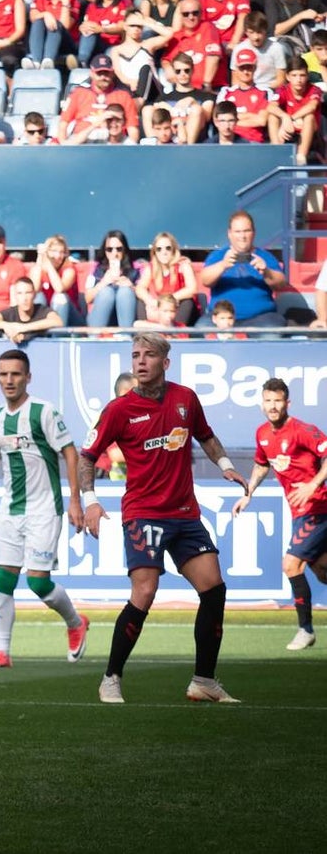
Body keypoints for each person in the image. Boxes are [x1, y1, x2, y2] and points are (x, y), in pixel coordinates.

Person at [79, 332, 246, 705]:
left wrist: (226, 465)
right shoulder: (119, 409)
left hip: (185, 513)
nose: (139, 361)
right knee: (146, 591)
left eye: (148, 355)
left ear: (164, 363)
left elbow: (206, 435)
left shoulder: (185, 398)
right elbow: (87, 456)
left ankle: (203, 681)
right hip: (143, 513)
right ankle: (111, 678)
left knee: (214, 590)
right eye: (135, 354)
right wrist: (90, 501)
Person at [0, 349, 88, 669]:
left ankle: (75, 622)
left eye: (16, 374)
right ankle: (2, 651)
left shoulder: (44, 411)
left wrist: (75, 499)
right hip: (10, 510)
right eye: (3, 374)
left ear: (28, 377)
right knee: (4, 578)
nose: (9, 380)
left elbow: (70, 453)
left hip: (44, 509)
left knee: (39, 582)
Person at [233, 378, 327, 651]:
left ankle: (305, 630)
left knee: (291, 565)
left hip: (318, 509)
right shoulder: (262, 433)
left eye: (278, 401)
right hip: (300, 513)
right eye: (268, 401)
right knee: (321, 570)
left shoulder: (302, 431)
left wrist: (312, 485)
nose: (273, 406)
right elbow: (262, 466)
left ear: (288, 403)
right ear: (262, 403)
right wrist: (248, 493)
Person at [196, 210, 286, 329]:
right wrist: (222, 265)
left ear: (253, 233)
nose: (242, 236)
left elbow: (281, 284)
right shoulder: (218, 255)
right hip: (221, 319)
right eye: (237, 232)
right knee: (202, 329)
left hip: (261, 318)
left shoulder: (265, 256)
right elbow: (205, 280)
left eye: (246, 231)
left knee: (271, 334)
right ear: (229, 233)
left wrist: (266, 272)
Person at [57, 53, 139, 143]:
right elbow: (63, 122)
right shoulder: (78, 93)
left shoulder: (124, 95)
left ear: (112, 73)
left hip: (114, 142)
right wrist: (63, 145)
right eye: (99, 73)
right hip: (82, 141)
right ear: (91, 73)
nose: (103, 77)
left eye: (106, 73)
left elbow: (133, 128)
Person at [137, 232, 199, 325]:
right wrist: (150, 301)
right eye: (159, 249)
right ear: (155, 252)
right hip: (159, 308)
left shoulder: (183, 265)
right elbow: (140, 288)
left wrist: (167, 301)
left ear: (174, 250)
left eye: (168, 248)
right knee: (141, 301)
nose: (164, 252)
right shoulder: (151, 267)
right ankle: (146, 333)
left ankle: (176, 333)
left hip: (176, 307)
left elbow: (192, 289)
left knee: (188, 302)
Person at [85, 229, 141, 329]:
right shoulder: (96, 269)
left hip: (126, 319)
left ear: (124, 249)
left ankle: (125, 335)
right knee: (106, 292)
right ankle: (95, 338)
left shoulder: (135, 270)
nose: (114, 253)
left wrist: (131, 287)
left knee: (125, 292)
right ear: (104, 250)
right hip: (98, 319)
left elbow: (143, 295)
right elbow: (87, 298)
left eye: (118, 249)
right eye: (109, 249)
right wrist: (104, 282)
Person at [0, 276, 64, 342]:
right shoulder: (11, 312)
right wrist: (9, 327)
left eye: (28, 293)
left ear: (34, 294)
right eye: (20, 293)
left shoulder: (42, 310)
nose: (24, 298)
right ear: (15, 296)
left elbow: (57, 321)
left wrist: (23, 328)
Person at [29, 234, 81, 326]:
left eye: (62, 252)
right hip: (47, 314)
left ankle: (57, 336)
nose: (58, 255)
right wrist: (40, 258)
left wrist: (49, 265)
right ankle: (39, 334)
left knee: (60, 298)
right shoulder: (38, 269)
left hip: (70, 317)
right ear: (47, 252)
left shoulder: (69, 269)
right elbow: (35, 289)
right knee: (37, 297)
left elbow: (59, 289)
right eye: (54, 251)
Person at [22, 0, 79, 70]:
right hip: (43, 43)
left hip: (65, 43)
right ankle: (36, 62)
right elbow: (33, 17)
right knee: (38, 21)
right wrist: (46, 14)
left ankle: (48, 60)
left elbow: (65, 25)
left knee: (57, 24)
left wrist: (65, 3)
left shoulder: (72, 0)